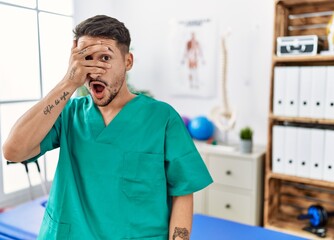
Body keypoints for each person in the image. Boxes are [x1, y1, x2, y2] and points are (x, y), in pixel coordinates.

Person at [2, 15, 213, 240]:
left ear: (128, 61)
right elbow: (14, 151)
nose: (94, 69)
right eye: (86, 58)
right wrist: (68, 82)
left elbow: (182, 191)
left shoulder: (162, 118)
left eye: (104, 58)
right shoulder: (68, 113)